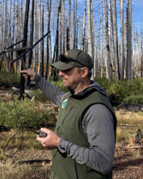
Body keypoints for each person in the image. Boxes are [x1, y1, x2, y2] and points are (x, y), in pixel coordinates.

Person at [21, 49, 117, 179]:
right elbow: (56, 94)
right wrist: (36, 78)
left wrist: (59, 143)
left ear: (83, 72)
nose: (60, 74)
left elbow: (103, 161)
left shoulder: (97, 109)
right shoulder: (70, 97)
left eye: (66, 70)